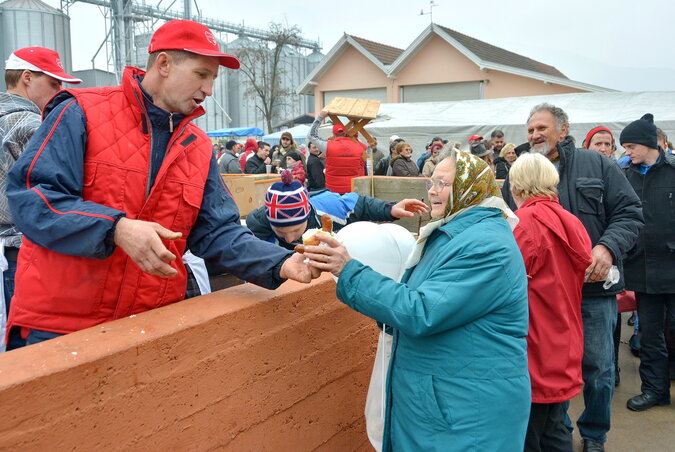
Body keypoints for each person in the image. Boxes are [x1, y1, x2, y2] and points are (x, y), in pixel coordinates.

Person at [5, 19, 315, 347]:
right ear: (164, 63)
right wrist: (116, 229)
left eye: (213, 78)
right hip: (62, 325)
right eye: (201, 74)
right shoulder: (82, 111)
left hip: (150, 324)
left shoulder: (197, 147)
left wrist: (282, 261)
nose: (209, 90)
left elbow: (219, 232)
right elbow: (32, 197)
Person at [303, 147, 530, 450]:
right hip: (448, 401)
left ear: (470, 187)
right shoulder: (458, 232)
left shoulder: (484, 246)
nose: (433, 192)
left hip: (465, 410)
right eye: (431, 183)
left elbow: (422, 311)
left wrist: (350, 272)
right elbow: (429, 303)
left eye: (444, 184)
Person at [502, 103, 643, 452]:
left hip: (594, 289)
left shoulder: (597, 164)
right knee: (550, 365)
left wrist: (607, 248)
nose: (534, 135)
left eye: (542, 128)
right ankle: (558, 428)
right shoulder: (519, 173)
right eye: (530, 129)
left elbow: (630, 212)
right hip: (546, 296)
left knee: (598, 368)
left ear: (563, 131)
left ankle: (594, 435)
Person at [1, 46, 82, 351]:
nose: (59, 91)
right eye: (54, 83)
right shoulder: (31, 125)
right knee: (26, 356)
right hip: (17, 254)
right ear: (26, 77)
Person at [510, 153, 592, 452]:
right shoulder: (572, 221)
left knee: (528, 435)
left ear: (517, 186)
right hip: (565, 339)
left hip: (535, 345)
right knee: (555, 428)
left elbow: (506, 284)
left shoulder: (524, 224)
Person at [619, 113, 675, 412]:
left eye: (630, 146)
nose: (627, 152)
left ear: (648, 143)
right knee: (650, 335)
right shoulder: (625, 175)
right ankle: (655, 390)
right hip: (642, 269)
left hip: (673, 265)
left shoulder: (673, 171)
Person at [246, 170, 428, 250]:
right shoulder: (257, 225)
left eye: (295, 230)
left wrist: (389, 209)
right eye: (280, 231)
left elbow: (362, 205)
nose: (290, 238)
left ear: (307, 213)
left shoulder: (329, 206)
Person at [308, 109, 366, 194]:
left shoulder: (327, 146)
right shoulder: (359, 147)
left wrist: (320, 117)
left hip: (333, 192)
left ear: (334, 134)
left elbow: (311, 135)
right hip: (353, 190)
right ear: (346, 133)